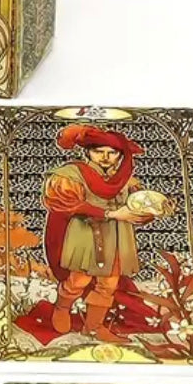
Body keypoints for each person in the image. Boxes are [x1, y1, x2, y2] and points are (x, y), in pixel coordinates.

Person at [40, 124, 157, 342]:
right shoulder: (70, 174)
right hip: (85, 233)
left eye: (112, 153)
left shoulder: (126, 180)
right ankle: (62, 307)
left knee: (108, 284)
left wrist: (145, 213)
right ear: (87, 152)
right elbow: (66, 204)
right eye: (98, 151)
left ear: (120, 155)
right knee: (79, 280)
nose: (105, 157)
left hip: (116, 236)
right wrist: (111, 214)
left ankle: (94, 327)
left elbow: (139, 205)